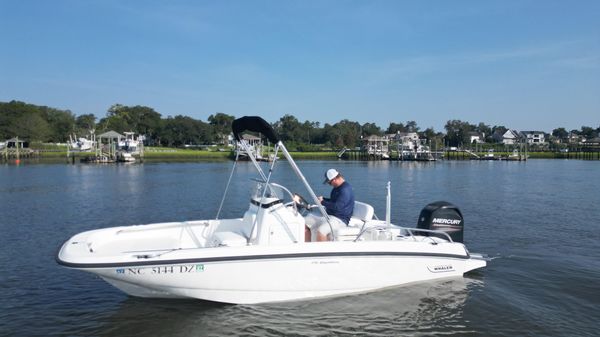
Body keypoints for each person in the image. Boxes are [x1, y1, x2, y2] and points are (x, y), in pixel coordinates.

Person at [302, 168, 355, 242]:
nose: (330, 185)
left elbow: (338, 207)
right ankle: (310, 249)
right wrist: (324, 199)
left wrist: (323, 202)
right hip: (330, 217)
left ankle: (322, 252)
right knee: (308, 225)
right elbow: (334, 201)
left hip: (340, 220)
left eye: (329, 183)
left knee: (321, 231)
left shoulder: (345, 190)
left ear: (334, 179)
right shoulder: (337, 188)